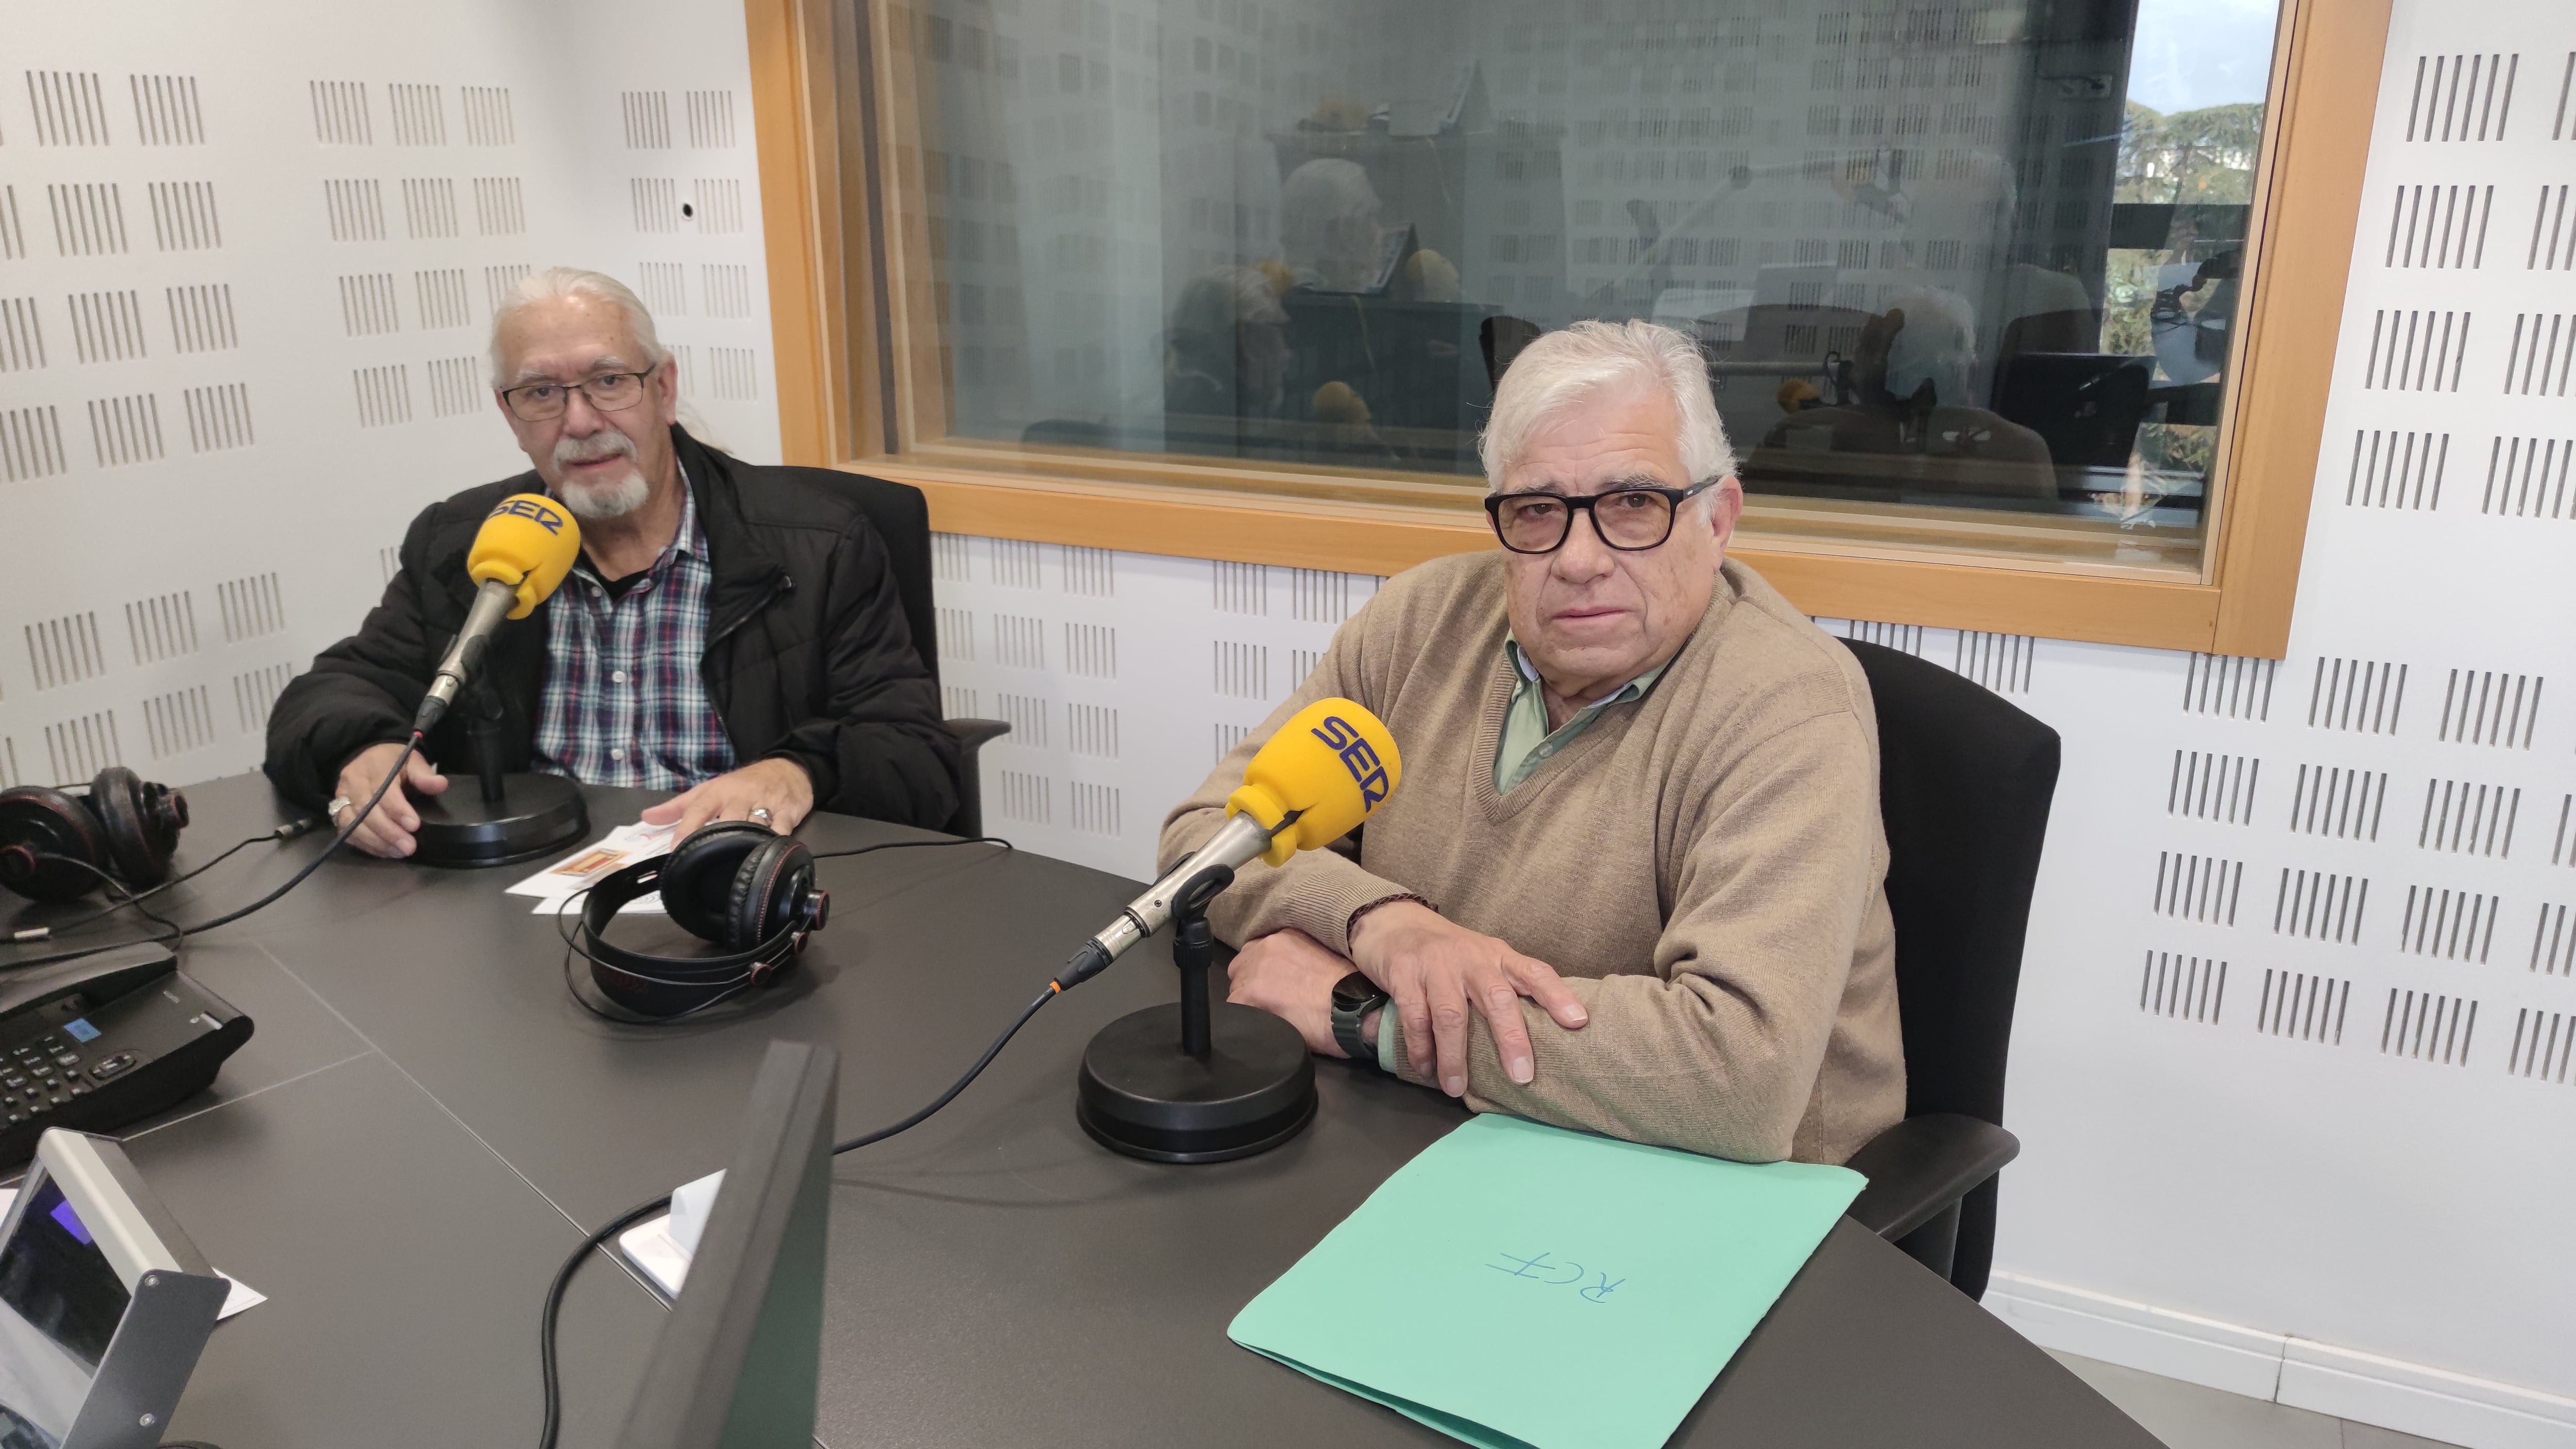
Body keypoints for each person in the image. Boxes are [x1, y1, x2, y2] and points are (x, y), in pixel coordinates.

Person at [1161, 319, 1903, 1165]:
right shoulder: (1417, 625)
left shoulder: (1792, 708)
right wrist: (1381, 922)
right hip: (1462, 1136)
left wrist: (1367, 1015)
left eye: (1633, 504)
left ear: (1718, 518)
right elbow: (1204, 842)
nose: (1580, 558)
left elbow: (1743, 1074)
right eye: (1539, 510)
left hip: (1725, 1189)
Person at [264, 268, 958, 856]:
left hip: (737, 879)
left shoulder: (818, 542)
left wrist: (797, 771)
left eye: (609, 380)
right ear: (510, 416)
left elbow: (915, 755)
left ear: (663, 389)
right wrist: (361, 749)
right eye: (541, 393)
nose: (581, 421)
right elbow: (333, 691)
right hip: (526, 893)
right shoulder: (464, 543)